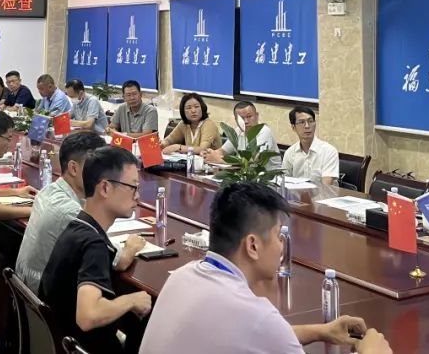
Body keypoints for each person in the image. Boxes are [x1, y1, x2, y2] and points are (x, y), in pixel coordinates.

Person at [141, 182, 391, 354]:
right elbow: (262, 330)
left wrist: (321, 331)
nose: (282, 246)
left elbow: (259, 336)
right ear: (253, 245)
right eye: (278, 236)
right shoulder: (256, 316)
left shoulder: (181, 277)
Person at [39, 146, 152, 354]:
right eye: (133, 187)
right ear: (105, 188)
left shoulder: (77, 226)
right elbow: (88, 316)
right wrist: (132, 300)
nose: (138, 197)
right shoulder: (94, 245)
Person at [16, 131, 107, 293]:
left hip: (27, 291)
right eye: (97, 168)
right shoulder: (70, 212)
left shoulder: (47, 191)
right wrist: (132, 246)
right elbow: (117, 259)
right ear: (74, 168)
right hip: (45, 299)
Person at [203, 100, 279, 165]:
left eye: (249, 117)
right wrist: (209, 154)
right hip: (245, 175)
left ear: (257, 116)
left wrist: (220, 160)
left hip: (268, 176)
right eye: (241, 118)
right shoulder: (238, 131)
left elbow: (254, 160)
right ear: (236, 120)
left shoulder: (264, 131)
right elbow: (223, 151)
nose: (246, 121)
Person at [281, 107, 339, 185]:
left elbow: (326, 186)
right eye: (302, 122)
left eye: (310, 121)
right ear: (293, 127)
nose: (307, 126)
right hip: (296, 193)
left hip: (323, 192)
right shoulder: (290, 153)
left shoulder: (329, 151)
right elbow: (284, 182)